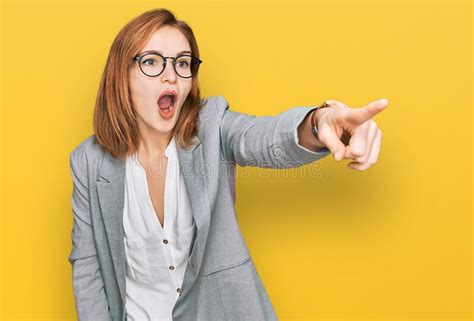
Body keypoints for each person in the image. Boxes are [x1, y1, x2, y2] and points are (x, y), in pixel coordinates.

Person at [68, 7, 389, 321]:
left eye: (182, 63)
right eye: (152, 61)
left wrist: (320, 122)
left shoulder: (213, 127)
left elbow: (263, 137)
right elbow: (88, 266)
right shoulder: (89, 162)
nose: (170, 75)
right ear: (120, 76)